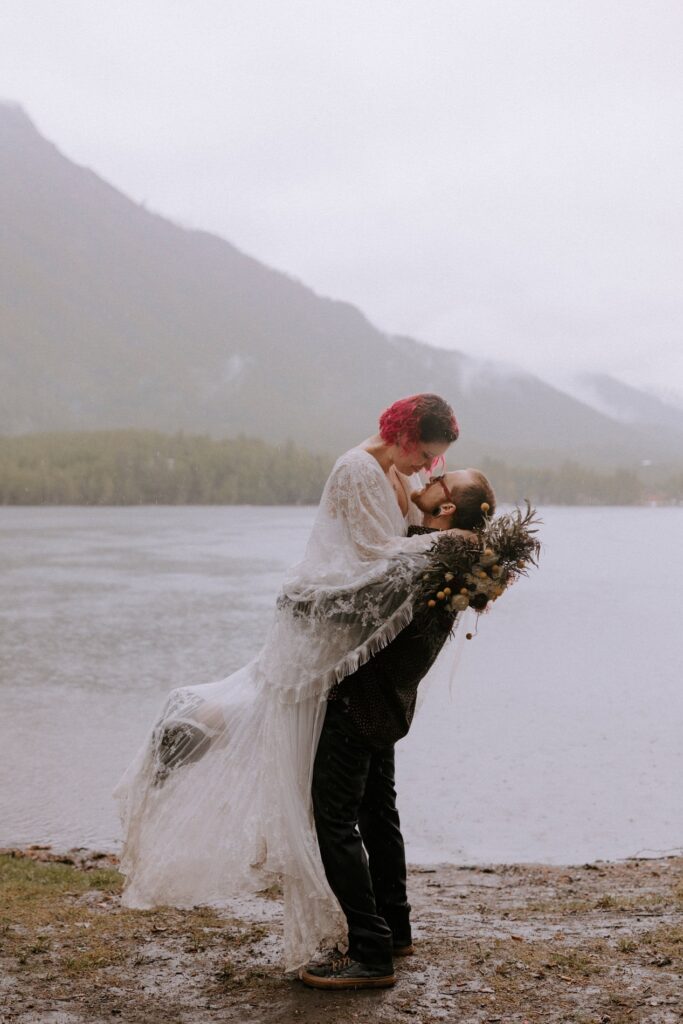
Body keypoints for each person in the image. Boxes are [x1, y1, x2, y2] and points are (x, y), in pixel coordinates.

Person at [114, 393, 467, 975]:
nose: (427, 469)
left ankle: (383, 934)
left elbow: (395, 553)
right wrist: (445, 546)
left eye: (435, 462)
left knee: (300, 750)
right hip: (325, 644)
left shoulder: (395, 476)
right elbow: (371, 558)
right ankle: (186, 728)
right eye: (425, 456)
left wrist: (448, 541)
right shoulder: (357, 469)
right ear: (404, 436)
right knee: (272, 720)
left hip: (353, 658)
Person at [300, 468, 495, 990]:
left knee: (335, 818)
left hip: (361, 701)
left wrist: (299, 602)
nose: (430, 477)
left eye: (440, 480)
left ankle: (370, 951)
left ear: (447, 506)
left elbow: (363, 607)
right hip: (390, 704)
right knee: (377, 814)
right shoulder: (452, 553)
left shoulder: (432, 554)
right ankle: (395, 930)